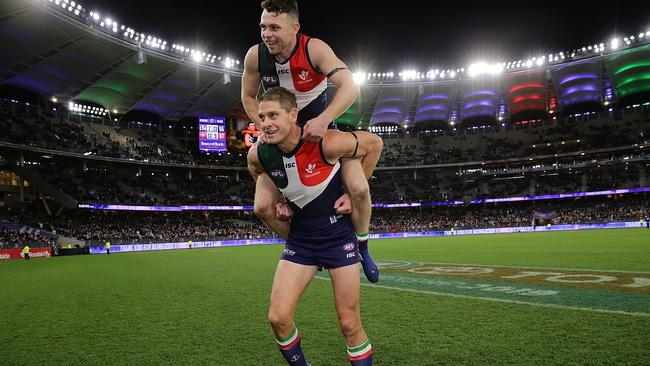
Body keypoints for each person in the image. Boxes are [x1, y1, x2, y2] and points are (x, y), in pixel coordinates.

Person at [241, 0, 379, 283]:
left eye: (274, 27)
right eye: (263, 27)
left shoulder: (313, 49)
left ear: (295, 28)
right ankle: (301, 248)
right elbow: (247, 97)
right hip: (283, 138)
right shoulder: (255, 56)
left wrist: (324, 118)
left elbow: (350, 85)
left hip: (321, 134)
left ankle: (363, 246)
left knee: (358, 187)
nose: (266, 34)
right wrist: (265, 127)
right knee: (262, 206)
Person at [248, 87, 382, 365]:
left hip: (338, 238)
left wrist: (349, 192)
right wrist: (278, 199)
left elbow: (375, 144)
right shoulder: (259, 154)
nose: (266, 123)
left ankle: (364, 246)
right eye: (262, 117)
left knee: (349, 324)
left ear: (293, 114)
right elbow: (258, 173)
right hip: (301, 242)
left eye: (273, 115)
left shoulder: (326, 142)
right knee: (278, 318)